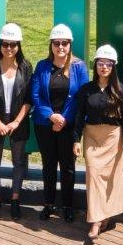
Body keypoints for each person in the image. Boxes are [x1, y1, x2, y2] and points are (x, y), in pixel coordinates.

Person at [74, 45, 123, 244]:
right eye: (101, 63)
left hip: (113, 138)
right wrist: (76, 140)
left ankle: (104, 216)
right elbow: (79, 117)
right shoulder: (86, 90)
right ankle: (95, 221)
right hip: (91, 136)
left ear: (113, 67)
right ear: (96, 66)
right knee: (93, 175)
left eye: (108, 64)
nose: (104, 67)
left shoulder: (120, 91)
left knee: (111, 178)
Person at [31, 24, 89, 221]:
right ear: (51, 45)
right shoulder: (42, 66)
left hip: (68, 125)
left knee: (68, 166)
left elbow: (81, 97)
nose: (60, 47)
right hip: (45, 124)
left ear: (70, 44)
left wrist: (63, 119)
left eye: (64, 43)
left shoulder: (79, 67)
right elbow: (36, 95)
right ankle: (48, 204)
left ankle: (67, 205)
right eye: (57, 43)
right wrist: (51, 116)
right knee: (48, 165)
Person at [0, 22, 32, 220]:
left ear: (19, 45)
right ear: (0, 44)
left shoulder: (26, 67)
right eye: (5, 44)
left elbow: (29, 99)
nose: (8, 48)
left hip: (18, 123)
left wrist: (16, 122)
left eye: (13, 44)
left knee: (18, 163)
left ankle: (15, 200)